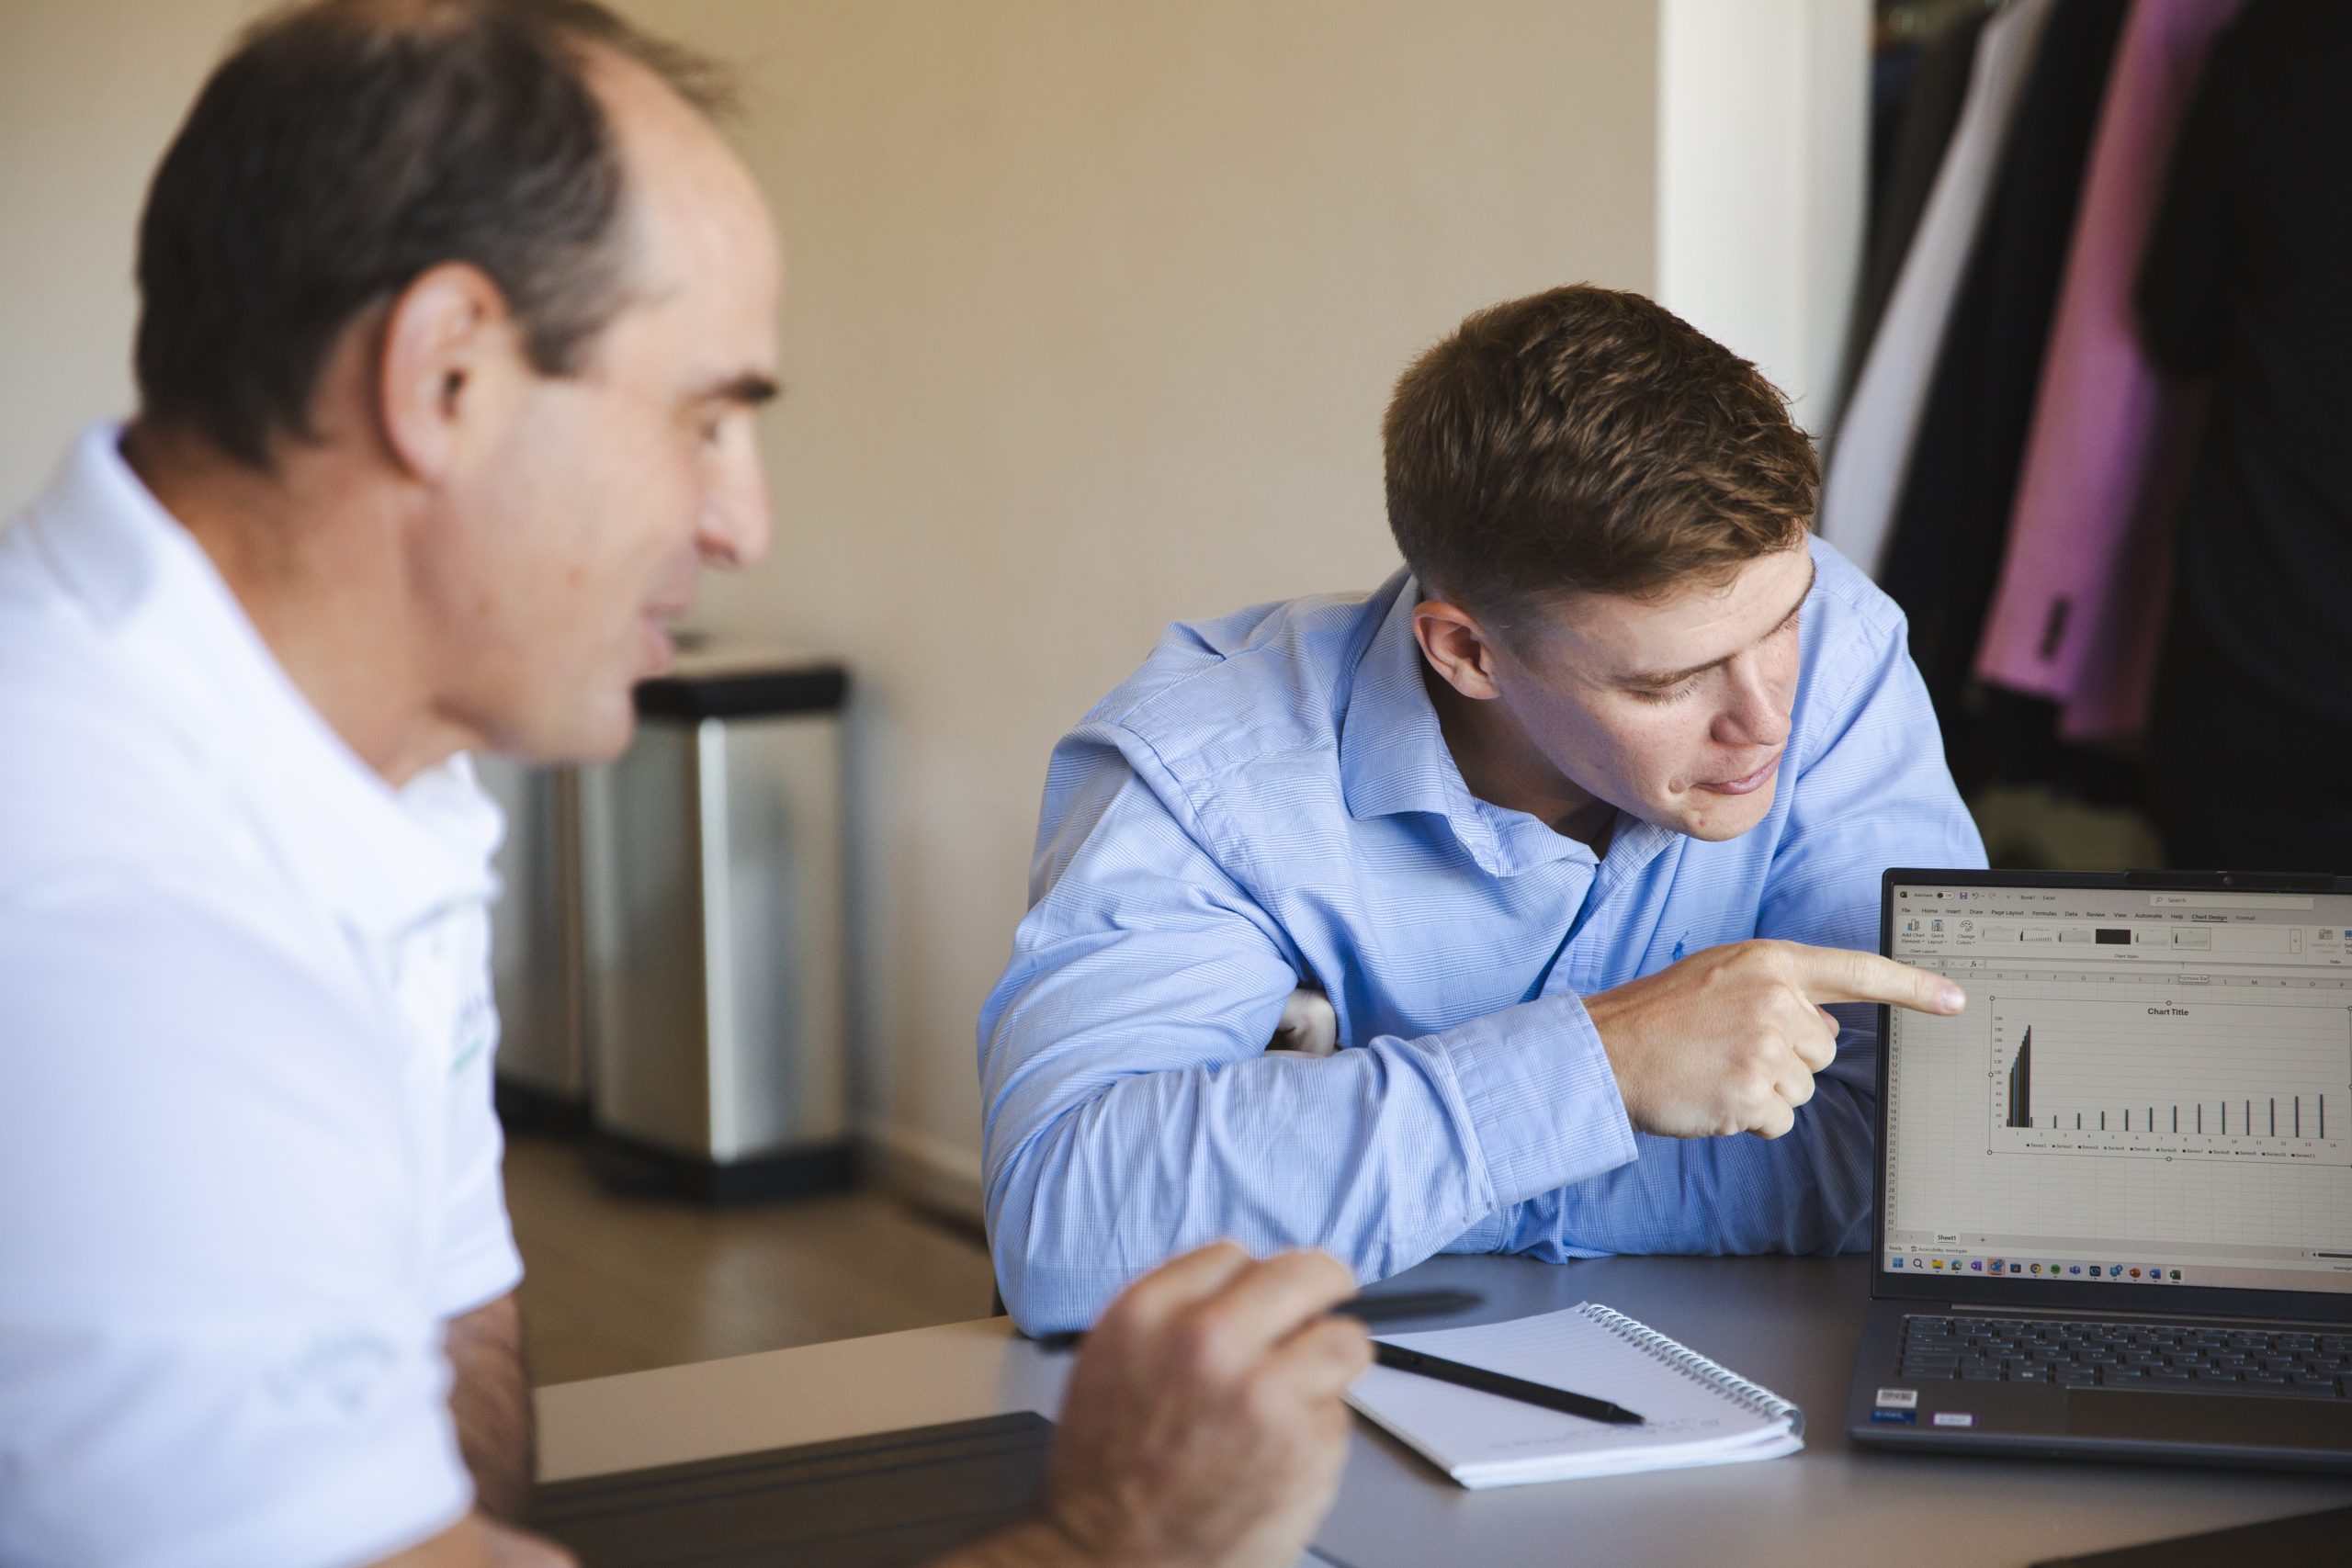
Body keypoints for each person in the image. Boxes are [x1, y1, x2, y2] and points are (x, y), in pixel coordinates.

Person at [0, 3, 1366, 1564]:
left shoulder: (371, 778)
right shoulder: (114, 916)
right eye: (706, 416)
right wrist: (1120, 1531)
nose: (744, 521)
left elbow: (453, 1344)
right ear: (444, 375)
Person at [979, 285, 1988, 1333]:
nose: (1768, 719)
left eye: (1782, 622)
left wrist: (1334, 1154)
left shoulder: (1843, 647)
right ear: (1467, 653)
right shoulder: (1206, 767)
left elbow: (1931, 1173)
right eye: (1663, 684)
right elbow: (1066, 1229)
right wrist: (1604, 1063)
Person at [2138, 0, 2352, 876]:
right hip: (2267, 627)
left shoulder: (2281, 49)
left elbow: (2174, 320)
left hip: (2270, 625)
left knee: (2235, 989)